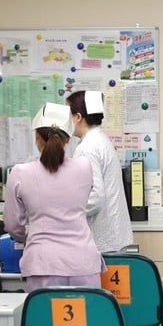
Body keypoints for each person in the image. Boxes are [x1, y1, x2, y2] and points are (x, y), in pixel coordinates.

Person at [4, 102, 105, 326]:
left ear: (37, 136)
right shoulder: (84, 168)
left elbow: (13, 226)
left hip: (43, 264)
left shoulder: (20, 173)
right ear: (67, 137)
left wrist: (32, 234)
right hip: (83, 262)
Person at [66, 90, 132, 253]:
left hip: (102, 241)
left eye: (67, 114)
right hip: (113, 236)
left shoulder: (88, 148)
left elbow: (95, 197)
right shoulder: (100, 139)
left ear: (78, 117)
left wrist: (66, 213)